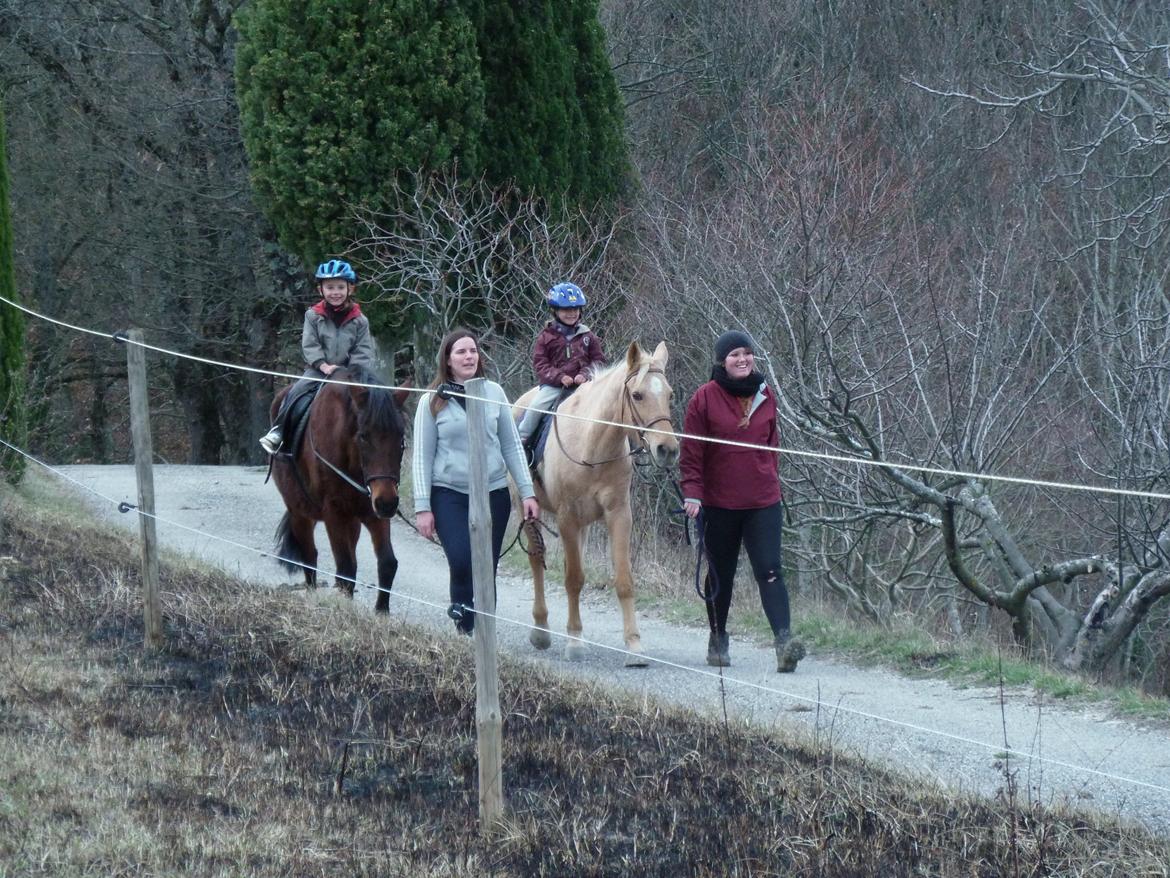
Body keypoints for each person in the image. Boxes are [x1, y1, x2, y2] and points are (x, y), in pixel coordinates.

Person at [680, 330, 805, 673]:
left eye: (747, 354)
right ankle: (718, 639)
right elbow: (692, 453)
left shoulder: (766, 394)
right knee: (722, 574)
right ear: (722, 361)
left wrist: (769, 481)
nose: (742, 360)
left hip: (762, 501)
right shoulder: (703, 398)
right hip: (719, 503)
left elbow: (773, 445)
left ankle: (784, 643)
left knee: (770, 571)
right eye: (735, 354)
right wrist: (692, 491)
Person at [413, 328, 541, 634]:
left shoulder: (494, 392)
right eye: (461, 351)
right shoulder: (431, 401)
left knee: (486, 568)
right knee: (461, 560)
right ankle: (464, 626)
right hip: (449, 495)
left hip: (494, 493)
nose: (469, 356)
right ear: (447, 358)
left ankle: (486, 638)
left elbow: (511, 445)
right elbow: (421, 457)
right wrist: (422, 507)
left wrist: (527, 493)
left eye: (473, 351)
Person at [259, 259, 374, 454]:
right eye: (330, 287)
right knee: (297, 392)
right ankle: (279, 431)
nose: (335, 292)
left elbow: (363, 350)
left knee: (373, 400)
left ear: (350, 289)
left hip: (349, 374)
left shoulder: (360, 320)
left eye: (340, 287)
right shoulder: (313, 316)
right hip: (318, 370)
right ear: (321, 290)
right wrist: (323, 365)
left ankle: (375, 442)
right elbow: (310, 345)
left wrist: (351, 371)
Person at [516, 282, 607, 453]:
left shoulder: (588, 336)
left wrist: (585, 374)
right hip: (554, 387)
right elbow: (540, 363)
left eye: (575, 309)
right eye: (566, 309)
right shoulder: (545, 337)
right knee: (535, 407)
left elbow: (598, 360)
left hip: (585, 385)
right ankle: (522, 441)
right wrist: (559, 377)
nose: (572, 313)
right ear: (555, 311)